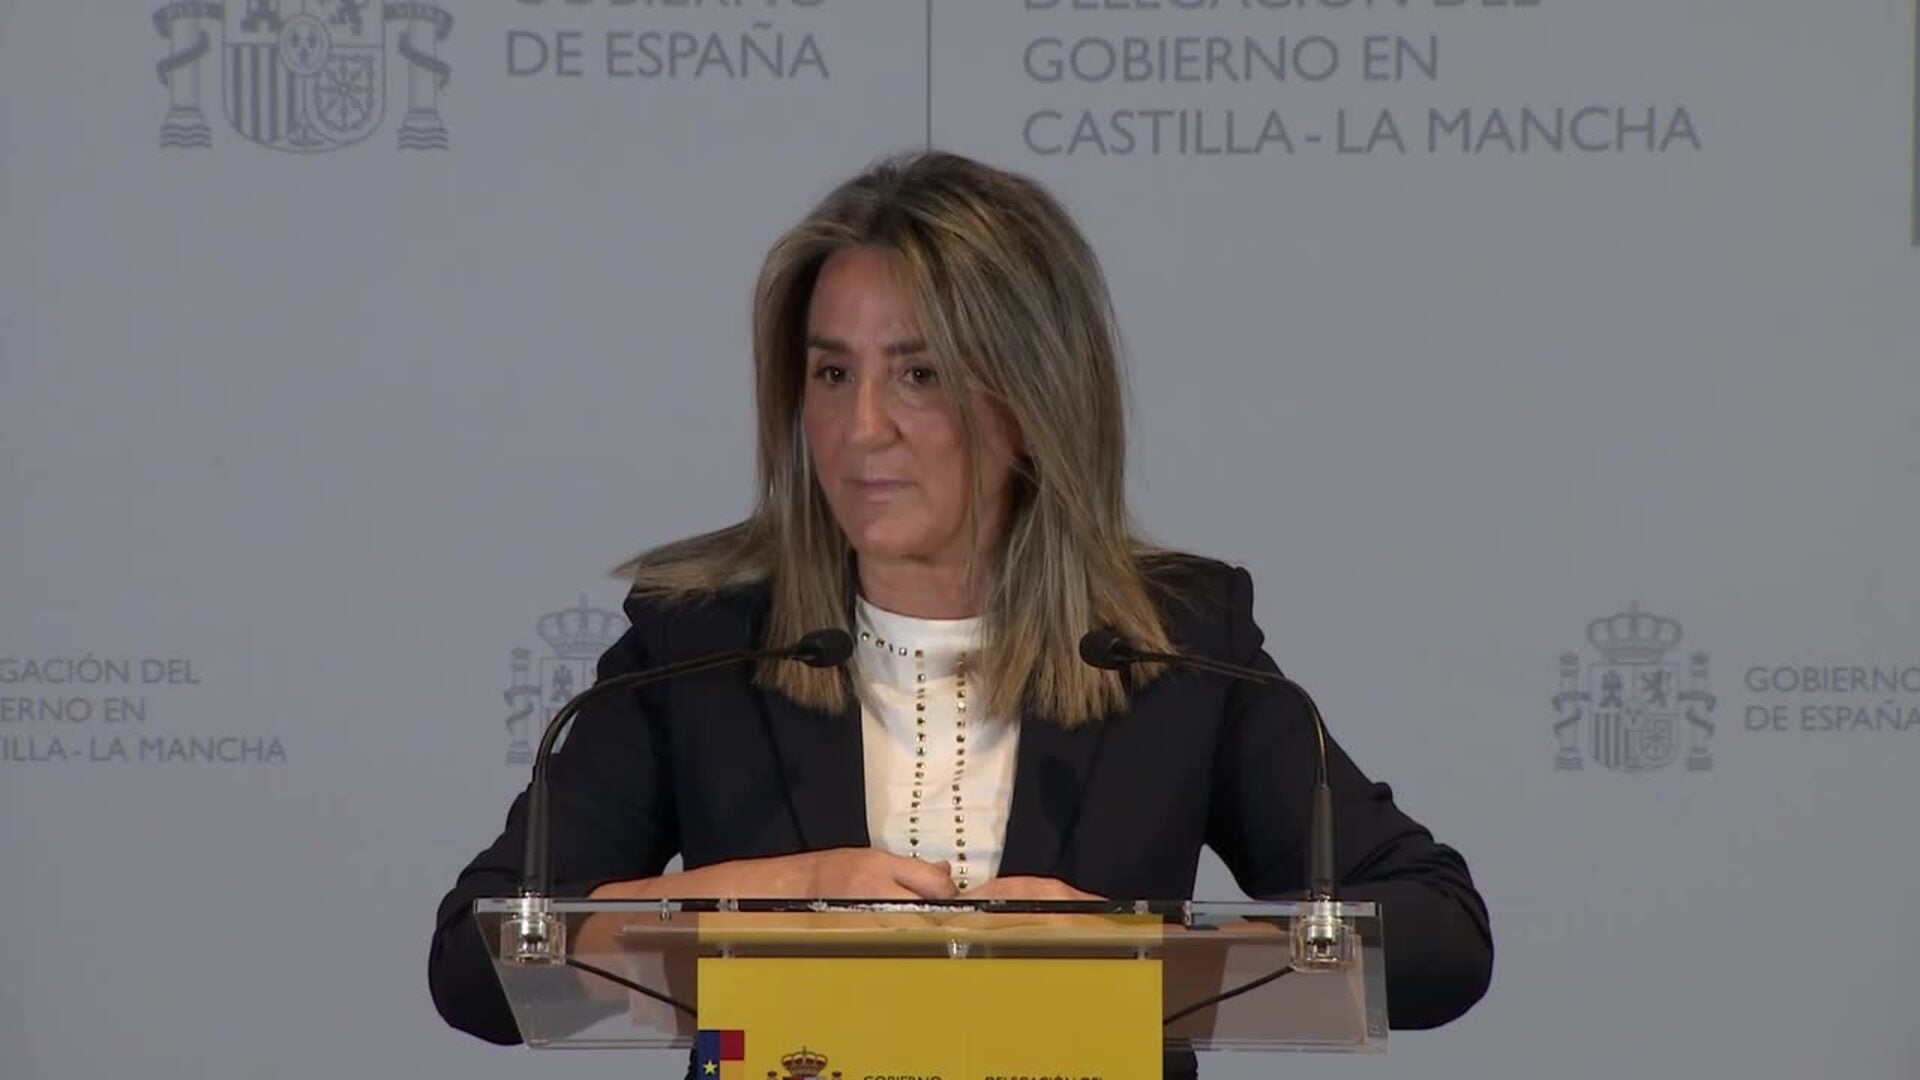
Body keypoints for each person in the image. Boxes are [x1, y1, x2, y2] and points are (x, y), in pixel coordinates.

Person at [428, 151, 1492, 1072]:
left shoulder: (1173, 642)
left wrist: (1129, 953)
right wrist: (775, 896)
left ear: (1031, 399)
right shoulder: (701, 640)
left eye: (920, 374)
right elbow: (476, 961)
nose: (862, 426)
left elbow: (1441, 935)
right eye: (831, 373)